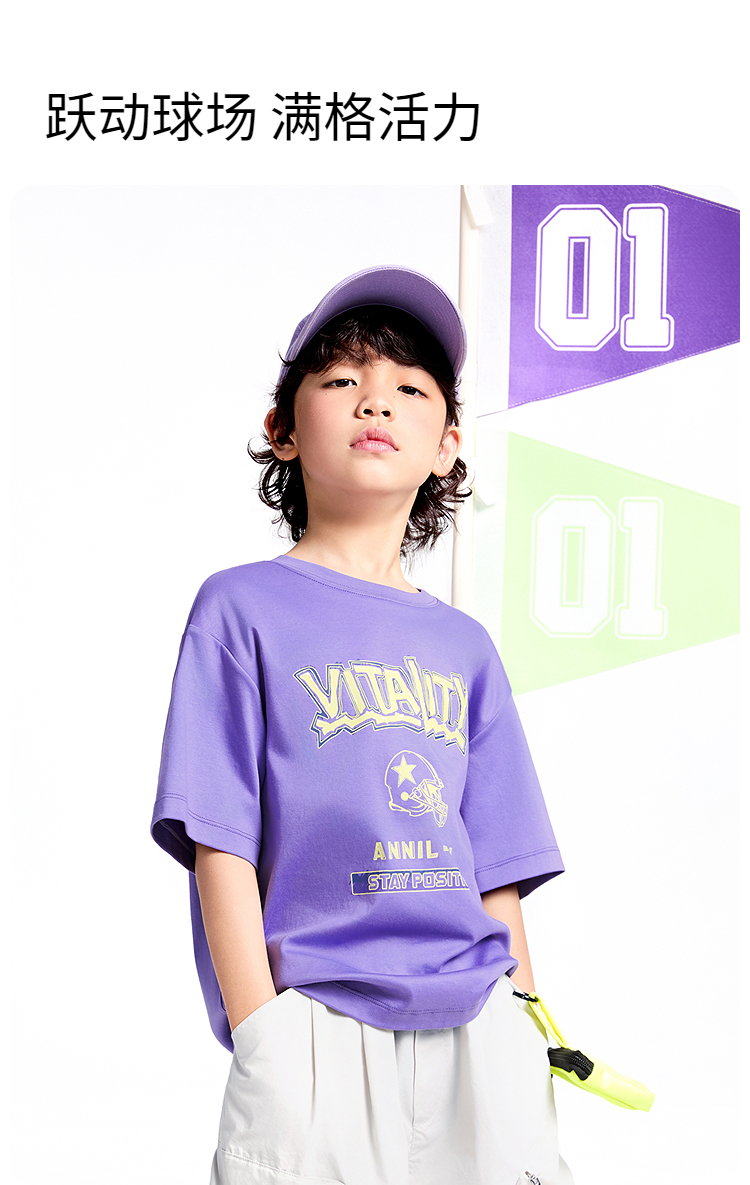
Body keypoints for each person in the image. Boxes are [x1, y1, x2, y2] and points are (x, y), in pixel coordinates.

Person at [151, 265, 574, 1185]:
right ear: (283, 429)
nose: (376, 399)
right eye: (342, 378)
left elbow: (496, 870)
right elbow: (220, 838)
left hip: (479, 1025)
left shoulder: (464, 645)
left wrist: (527, 1025)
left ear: (448, 445)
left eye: (411, 388)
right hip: (315, 1022)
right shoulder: (240, 609)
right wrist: (262, 1027)